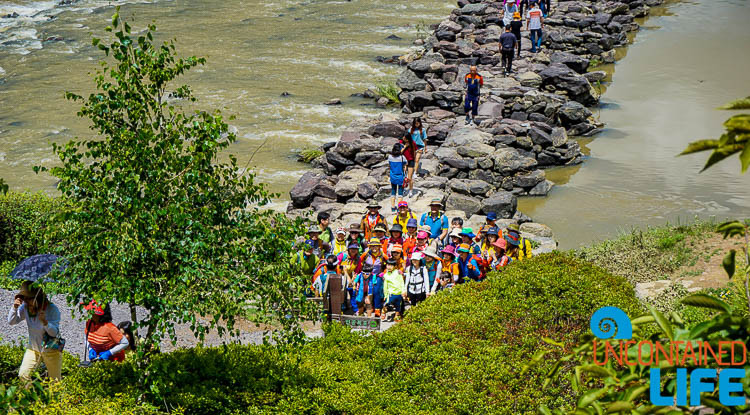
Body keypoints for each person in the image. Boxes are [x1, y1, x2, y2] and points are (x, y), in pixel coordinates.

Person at [8, 281, 62, 381]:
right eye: (24, 298)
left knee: (55, 382)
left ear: (37, 297)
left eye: (28, 298)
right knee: (23, 375)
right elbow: (11, 321)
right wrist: (14, 308)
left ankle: (53, 396)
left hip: (51, 350)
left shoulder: (52, 309)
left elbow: (54, 333)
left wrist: (45, 322)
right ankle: (31, 396)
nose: (25, 301)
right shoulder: (25, 307)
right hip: (33, 348)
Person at [409, 118, 427, 194]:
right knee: (412, 159)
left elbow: (425, 139)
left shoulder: (422, 130)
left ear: (420, 123)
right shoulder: (410, 129)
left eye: (418, 123)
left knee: (417, 160)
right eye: (415, 123)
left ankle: (415, 173)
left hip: (420, 146)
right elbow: (408, 138)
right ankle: (411, 171)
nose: (417, 124)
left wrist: (425, 148)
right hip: (412, 146)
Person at [388, 143, 407, 212]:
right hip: (400, 177)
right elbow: (405, 165)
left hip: (392, 176)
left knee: (393, 192)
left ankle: (393, 208)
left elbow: (389, 165)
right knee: (400, 193)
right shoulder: (402, 157)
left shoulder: (390, 157)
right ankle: (399, 208)